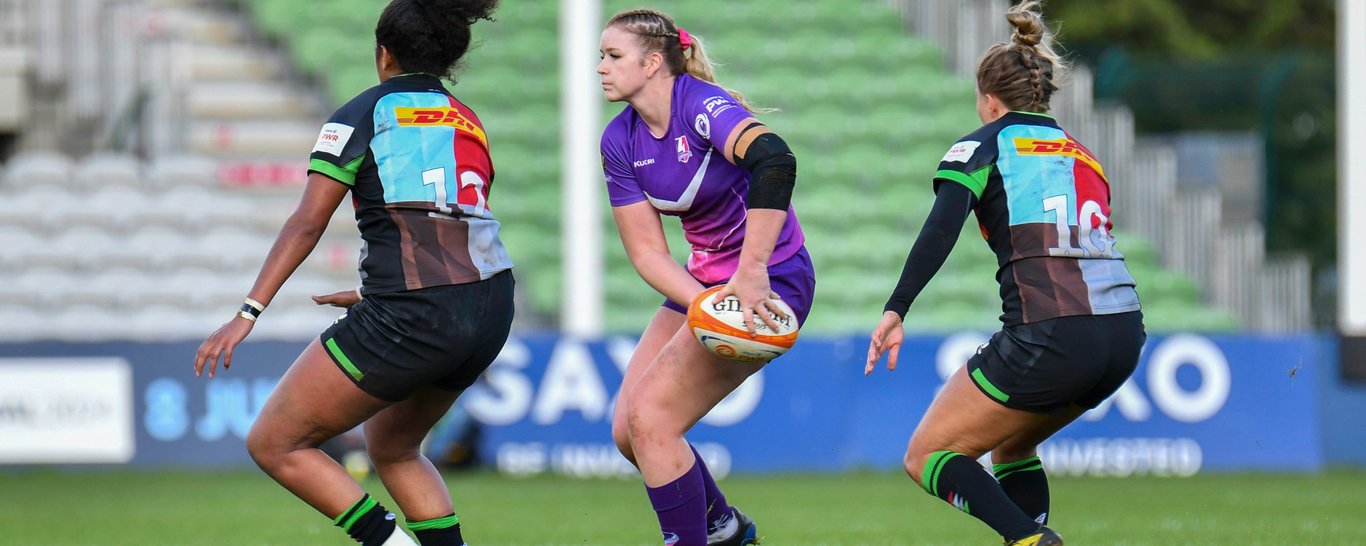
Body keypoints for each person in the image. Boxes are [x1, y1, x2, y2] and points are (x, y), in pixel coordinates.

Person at [194, 1, 510, 545]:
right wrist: (375, 290)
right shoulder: (467, 120)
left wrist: (247, 313)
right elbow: (455, 226)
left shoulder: (361, 114)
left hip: (415, 311)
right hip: (489, 306)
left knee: (276, 443)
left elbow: (305, 224)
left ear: (383, 53)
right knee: (392, 446)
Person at [865, 2, 1145, 545]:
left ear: (989, 100)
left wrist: (897, 307)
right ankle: (1028, 535)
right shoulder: (1085, 156)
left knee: (928, 454)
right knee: (1012, 448)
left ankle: (1029, 540)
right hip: (1123, 332)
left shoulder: (984, 143)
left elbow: (940, 229)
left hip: (1053, 332)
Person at [597, 9, 815, 546]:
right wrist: (704, 303)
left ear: (652, 63)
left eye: (613, 56)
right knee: (629, 430)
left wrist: (750, 273)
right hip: (710, 284)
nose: (600, 67)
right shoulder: (618, 139)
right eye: (601, 56)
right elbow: (648, 254)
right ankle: (724, 528)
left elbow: (776, 161)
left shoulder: (701, 105)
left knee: (652, 420)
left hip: (772, 281)